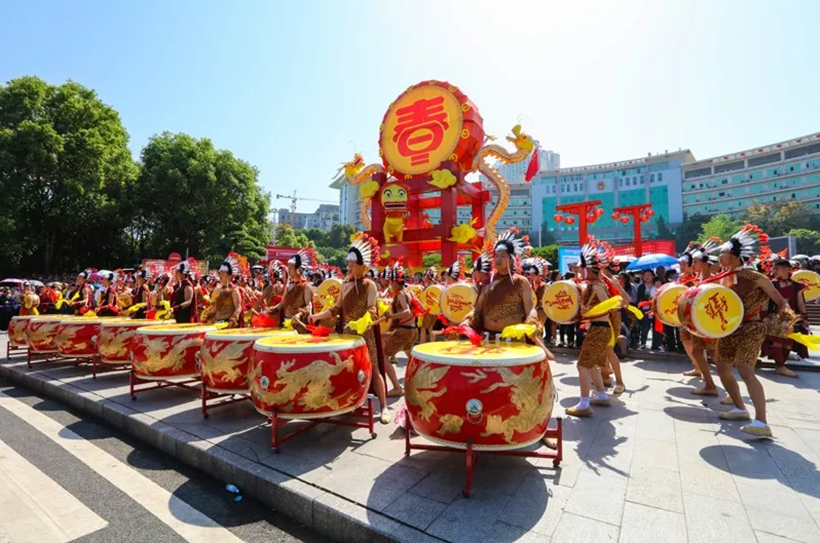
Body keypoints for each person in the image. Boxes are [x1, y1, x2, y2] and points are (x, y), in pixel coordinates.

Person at [309, 233, 391, 424]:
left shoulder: (370, 285)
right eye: (348, 264)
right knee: (348, 370)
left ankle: (385, 406)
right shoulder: (345, 286)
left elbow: (372, 310)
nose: (349, 267)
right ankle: (350, 402)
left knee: (375, 369)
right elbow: (335, 310)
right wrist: (317, 316)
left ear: (363, 266)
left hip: (365, 336)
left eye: (352, 264)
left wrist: (363, 322)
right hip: (346, 336)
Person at [714, 225, 785, 438]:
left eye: (723, 253)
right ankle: (739, 408)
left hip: (751, 328)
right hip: (728, 329)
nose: (720, 257)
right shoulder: (723, 276)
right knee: (722, 368)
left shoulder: (755, 277)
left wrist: (784, 321)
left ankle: (762, 422)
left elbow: (780, 301)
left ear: (735, 256)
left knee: (745, 370)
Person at [467, 228, 552, 358]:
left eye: (503, 256)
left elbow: (530, 309)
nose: (498, 259)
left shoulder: (521, 282)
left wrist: (532, 322)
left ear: (512, 259)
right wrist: (467, 321)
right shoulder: (487, 283)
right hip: (488, 339)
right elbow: (477, 310)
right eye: (496, 256)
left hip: (513, 341)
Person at [567, 238, 616, 417]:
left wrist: (590, 311)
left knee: (582, 366)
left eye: (581, 267)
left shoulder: (596, 285)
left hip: (599, 328)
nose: (579, 270)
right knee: (592, 364)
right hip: (599, 328)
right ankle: (602, 395)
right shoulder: (594, 284)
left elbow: (608, 306)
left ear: (589, 268)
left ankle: (584, 403)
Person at [681, 241, 721, 396]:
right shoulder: (697, 279)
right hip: (697, 323)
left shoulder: (715, 279)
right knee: (697, 352)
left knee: (715, 355)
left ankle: (729, 387)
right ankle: (709, 384)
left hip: (709, 322)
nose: (694, 264)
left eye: (696, 261)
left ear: (704, 264)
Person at [761, 258, 808, 378]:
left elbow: (800, 302)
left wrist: (805, 317)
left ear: (786, 269)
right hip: (775, 315)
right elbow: (765, 302)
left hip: (791, 317)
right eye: (773, 268)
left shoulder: (797, 286)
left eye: (776, 268)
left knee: (788, 344)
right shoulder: (772, 284)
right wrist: (765, 316)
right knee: (777, 341)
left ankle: (782, 365)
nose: (773, 270)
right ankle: (780, 366)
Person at [380, 261, 419, 397]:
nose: (390, 284)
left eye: (391, 282)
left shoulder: (401, 294)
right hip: (413, 329)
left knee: (384, 356)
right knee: (410, 355)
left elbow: (407, 312)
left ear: (396, 282)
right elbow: (421, 307)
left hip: (404, 330)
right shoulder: (409, 292)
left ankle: (397, 387)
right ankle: (418, 380)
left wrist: (391, 315)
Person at [268, 249, 314, 333]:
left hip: (300, 324)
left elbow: (308, 307)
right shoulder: (289, 286)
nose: (288, 270)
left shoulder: (306, 286)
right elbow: (282, 303)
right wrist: (273, 309)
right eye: (288, 267)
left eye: (291, 268)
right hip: (287, 322)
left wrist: (299, 314)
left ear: (298, 269)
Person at [202, 254, 243, 328]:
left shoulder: (234, 290)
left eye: (223, 272)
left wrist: (233, 318)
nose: (220, 274)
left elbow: (238, 307)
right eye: (220, 272)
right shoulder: (218, 289)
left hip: (227, 323)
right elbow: (216, 307)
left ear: (230, 276)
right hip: (217, 322)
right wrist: (209, 315)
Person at [636, 270, 656, 349]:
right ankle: (643, 343)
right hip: (645, 309)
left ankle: (656, 345)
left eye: (649, 275)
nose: (647, 277)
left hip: (655, 310)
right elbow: (639, 298)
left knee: (656, 328)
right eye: (645, 275)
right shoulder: (641, 287)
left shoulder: (656, 285)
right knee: (645, 327)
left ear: (653, 276)